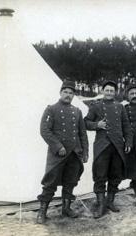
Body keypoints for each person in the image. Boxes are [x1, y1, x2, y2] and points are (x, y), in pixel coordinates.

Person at [36, 80, 89, 224]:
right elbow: (45, 130)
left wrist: (85, 153)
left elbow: (82, 134)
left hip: (74, 154)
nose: (68, 95)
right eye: (65, 92)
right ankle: (42, 212)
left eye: (71, 93)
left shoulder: (77, 111)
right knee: (50, 183)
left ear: (74, 96)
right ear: (60, 93)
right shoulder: (51, 109)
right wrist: (58, 146)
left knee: (70, 182)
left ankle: (66, 208)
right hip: (57, 154)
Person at [84, 80, 133, 218]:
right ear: (103, 91)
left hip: (117, 146)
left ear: (115, 92)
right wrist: (97, 124)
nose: (110, 93)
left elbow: (126, 126)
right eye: (107, 90)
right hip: (102, 146)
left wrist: (128, 142)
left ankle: (110, 202)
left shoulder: (120, 107)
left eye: (112, 91)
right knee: (100, 176)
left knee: (115, 175)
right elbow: (85, 122)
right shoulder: (96, 106)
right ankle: (101, 205)